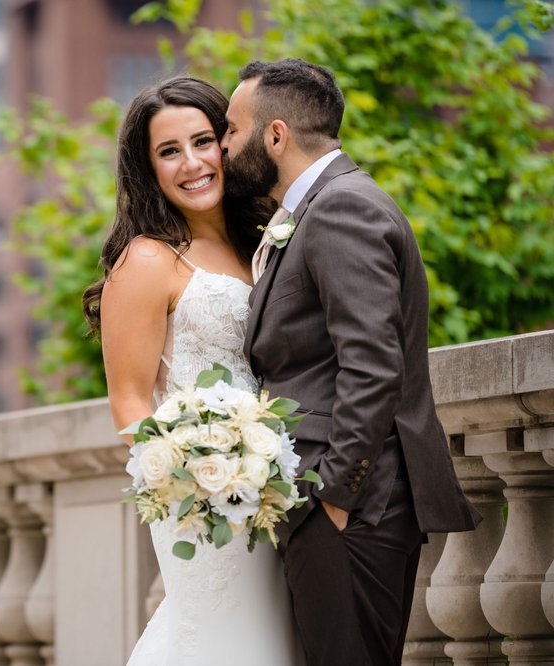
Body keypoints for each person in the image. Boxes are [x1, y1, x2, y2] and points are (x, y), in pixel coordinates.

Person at [221, 58, 481, 666]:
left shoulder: (341, 209)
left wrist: (334, 496)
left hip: (350, 506)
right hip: (330, 503)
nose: (225, 146)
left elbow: (372, 365)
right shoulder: (313, 212)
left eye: (232, 130)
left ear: (276, 135)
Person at [82, 76, 303, 666]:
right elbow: (129, 406)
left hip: (280, 491)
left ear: (228, 143)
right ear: (146, 168)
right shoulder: (148, 260)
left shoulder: (261, 240)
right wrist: (200, 475)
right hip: (205, 506)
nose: (192, 163)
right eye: (169, 151)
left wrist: (265, 467)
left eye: (203, 141)